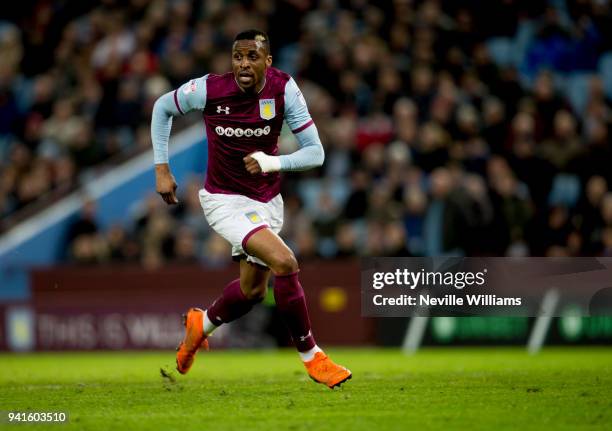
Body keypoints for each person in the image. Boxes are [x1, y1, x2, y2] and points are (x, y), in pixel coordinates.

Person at [150, 29, 351, 389]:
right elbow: (162, 107)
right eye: (238, 57)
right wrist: (162, 168)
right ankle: (312, 355)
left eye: (252, 57)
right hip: (224, 201)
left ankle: (202, 323)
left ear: (267, 61)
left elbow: (315, 152)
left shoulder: (284, 89)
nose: (243, 64)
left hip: (267, 201)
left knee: (252, 291)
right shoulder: (209, 89)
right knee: (285, 262)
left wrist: (272, 163)